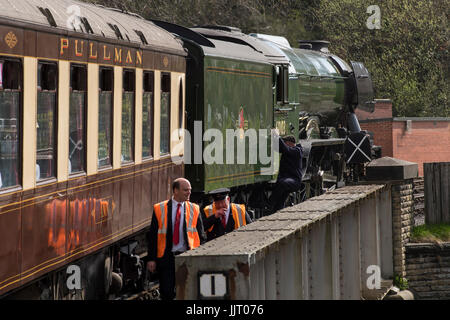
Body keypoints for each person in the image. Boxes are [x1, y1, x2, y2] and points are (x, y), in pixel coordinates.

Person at [146, 178, 205, 300]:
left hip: (188, 257)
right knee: (167, 292)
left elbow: (201, 235)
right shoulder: (159, 208)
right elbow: (152, 236)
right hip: (167, 258)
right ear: (175, 191)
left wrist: (202, 256)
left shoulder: (194, 208)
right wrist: (151, 259)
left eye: (190, 190)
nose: (189, 193)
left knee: (187, 291)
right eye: (185, 190)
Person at [269, 135, 303, 214]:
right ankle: (276, 212)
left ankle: (269, 203)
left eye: (285, 143)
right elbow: (282, 149)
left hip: (294, 181)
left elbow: (285, 148)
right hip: (287, 179)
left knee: (282, 183)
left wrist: (276, 135)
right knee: (280, 201)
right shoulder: (289, 151)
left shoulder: (297, 151)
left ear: (290, 143)